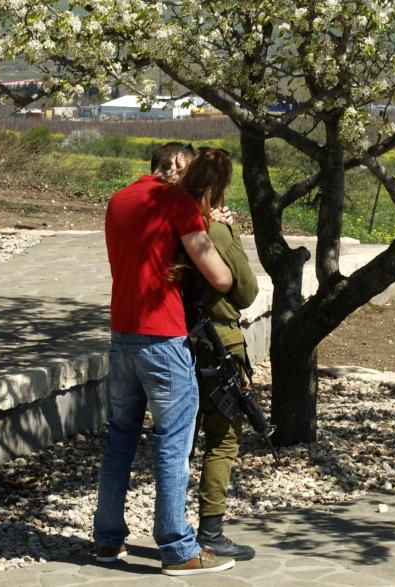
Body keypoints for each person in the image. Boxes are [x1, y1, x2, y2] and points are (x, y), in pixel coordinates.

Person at [94, 142, 236, 577]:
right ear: (177, 162)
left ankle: (107, 540)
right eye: (190, 167)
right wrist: (211, 229)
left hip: (122, 334)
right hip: (164, 338)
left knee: (120, 439)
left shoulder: (118, 200)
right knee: (174, 444)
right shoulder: (175, 202)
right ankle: (177, 547)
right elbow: (221, 278)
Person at [175, 147, 260, 561]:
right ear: (219, 187)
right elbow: (245, 291)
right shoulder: (216, 230)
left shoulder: (169, 222)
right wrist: (234, 234)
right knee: (223, 439)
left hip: (176, 340)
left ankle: (172, 525)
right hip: (221, 341)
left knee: (179, 440)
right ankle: (211, 530)